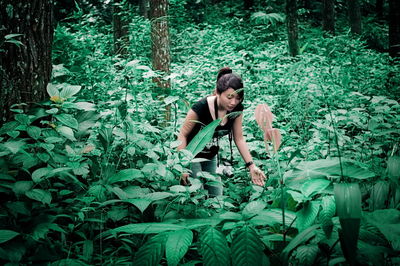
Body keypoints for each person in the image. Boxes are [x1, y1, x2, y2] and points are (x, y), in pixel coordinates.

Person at [177, 67, 266, 196]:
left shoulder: (236, 110)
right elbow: (183, 134)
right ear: (217, 93)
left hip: (210, 155)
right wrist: (183, 165)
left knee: (216, 196)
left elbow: (239, 138)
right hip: (191, 155)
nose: (233, 102)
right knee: (197, 194)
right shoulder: (201, 107)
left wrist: (251, 166)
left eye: (237, 98)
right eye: (229, 97)